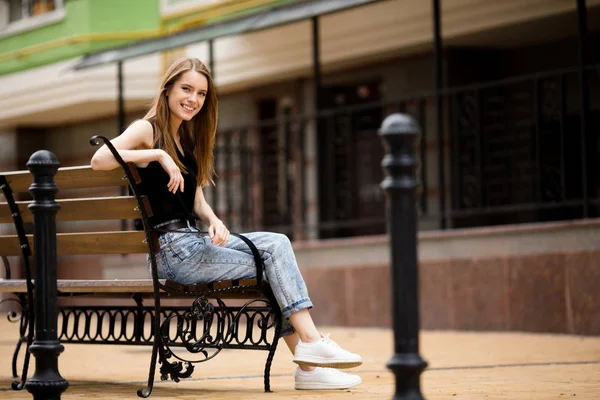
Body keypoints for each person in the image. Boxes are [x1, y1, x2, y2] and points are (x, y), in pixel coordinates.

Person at [91, 57, 363, 390]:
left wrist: (214, 221)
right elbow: (99, 159)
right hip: (174, 252)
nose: (193, 99)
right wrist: (158, 155)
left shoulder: (188, 142)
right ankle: (310, 350)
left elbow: (197, 201)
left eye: (201, 94)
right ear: (168, 90)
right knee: (273, 257)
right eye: (186, 89)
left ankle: (309, 363)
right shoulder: (147, 129)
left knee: (276, 246)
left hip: (192, 243)